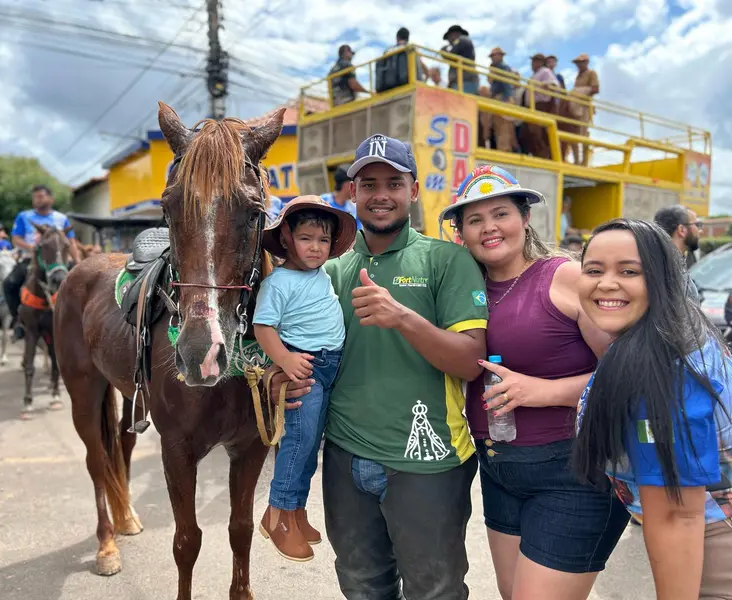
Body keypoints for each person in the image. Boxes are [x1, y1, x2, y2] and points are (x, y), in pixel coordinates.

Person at [266, 134, 489, 599]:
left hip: (427, 462)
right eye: (368, 184)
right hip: (345, 458)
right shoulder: (328, 272)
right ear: (352, 193)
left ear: (412, 191)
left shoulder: (446, 260)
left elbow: (471, 362)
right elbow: (280, 347)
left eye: (393, 182)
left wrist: (402, 317)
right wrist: (277, 378)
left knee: (435, 590)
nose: (380, 194)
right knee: (362, 585)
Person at [438, 165, 630, 600]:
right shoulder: (463, 288)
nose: (489, 228)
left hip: (572, 473)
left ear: (525, 218)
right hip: (498, 470)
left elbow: (627, 371)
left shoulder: (563, 276)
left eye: (500, 213)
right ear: (460, 233)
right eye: (474, 220)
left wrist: (542, 391)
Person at [574, 218, 732, 599]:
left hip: (710, 546)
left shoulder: (668, 371)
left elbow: (679, 515)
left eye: (629, 271)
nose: (606, 283)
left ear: (662, 279)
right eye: (593, 270)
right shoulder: (663, 334)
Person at [255, 196, 357, 562]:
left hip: (331, 367)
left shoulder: (320, 274)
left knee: (310, 447)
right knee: (298, 444)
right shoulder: (279, 281)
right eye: (306, 238)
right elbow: (263, 326)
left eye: (323, 241)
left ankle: (296, 513)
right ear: (286, 237)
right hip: (307, 367)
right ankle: (277, 515)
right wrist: (284, 359)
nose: (315, 248)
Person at [4, 185, 78, 340]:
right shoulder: (24, 216)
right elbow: (16, 238)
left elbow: (71, 241)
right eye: (35, 197)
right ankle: (18, 321)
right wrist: (31, 248)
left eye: (41, 196)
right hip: (31, 260)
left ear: (51, 199)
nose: (37, 200)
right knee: (9, 283)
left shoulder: (61, 218)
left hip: (58, 262)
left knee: (77, 286)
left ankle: (75, 320)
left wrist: (78, 262)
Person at [653, 204, 702, 304]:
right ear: (682, 230)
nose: (700, 231)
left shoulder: (656, 259)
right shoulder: (666, 268)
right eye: (697, 225)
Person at [320, 164, 361, 230]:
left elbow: (358, 232)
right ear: (346, 185)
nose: (356, 189)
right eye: (354, 184)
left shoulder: (354, 208)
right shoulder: (321, 202)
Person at [442, 24, 479, 94]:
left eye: (448, 38)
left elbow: (450, 56)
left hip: (465, 82)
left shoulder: (462, 40)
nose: (449, 41)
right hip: (465, 81)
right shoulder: (464, 42)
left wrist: (443, 51)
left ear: (454, 34)